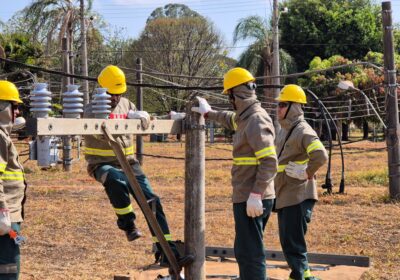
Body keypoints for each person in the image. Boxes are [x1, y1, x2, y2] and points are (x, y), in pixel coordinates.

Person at [83, 65, 193, 270]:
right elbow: (97, 134)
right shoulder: (90, 109)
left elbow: (143, 123)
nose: (115, 98)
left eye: (119, 93)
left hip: (130, 163)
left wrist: (145, 118)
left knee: (152, 201)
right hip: (102, 164)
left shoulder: (127, 104)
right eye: (111, 94)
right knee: (114, 179)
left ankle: (166, 251)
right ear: (102, 90)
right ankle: (127, 224)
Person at [192, 67, 277, 280]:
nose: (229, 100)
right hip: (246, 195)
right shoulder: (245, 117)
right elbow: (230, 118)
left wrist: (256, 194)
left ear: (236, 94)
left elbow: (269, 161)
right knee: (244, 247)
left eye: (229, 95)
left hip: (252, 197)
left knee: (250, 252)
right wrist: (207, 113)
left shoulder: (256, 119)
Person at [274, 85, 328, 280]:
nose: (278, 108)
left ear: (294, 107)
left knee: (293, 243)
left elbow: (321, 155)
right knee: (289, 241)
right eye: (278, 105)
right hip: (285, 193)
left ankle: (304, 276)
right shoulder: (284, 130)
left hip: (297, 195)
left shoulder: (302, 130)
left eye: (283, 105)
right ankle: (298, 275)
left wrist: (306, 172)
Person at [0, 80, 27, 280]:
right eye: (14, 106)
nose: (17, 112)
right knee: (9, 264)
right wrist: (2, 212)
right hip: (6, 215)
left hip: (10, 214)